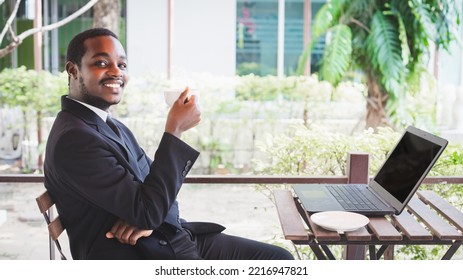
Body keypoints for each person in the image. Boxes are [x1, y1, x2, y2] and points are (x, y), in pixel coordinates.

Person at [43, 27, 294, 260]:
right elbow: (152, 205)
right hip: (142, 256)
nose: (117, 72)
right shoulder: (75, 140)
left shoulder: (109, 125)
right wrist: (174, 130)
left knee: (279, 259)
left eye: (122, 64)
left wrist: (147, 219)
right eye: (101, 63)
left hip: (165, 237)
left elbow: (161, 194)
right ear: (73, 70)